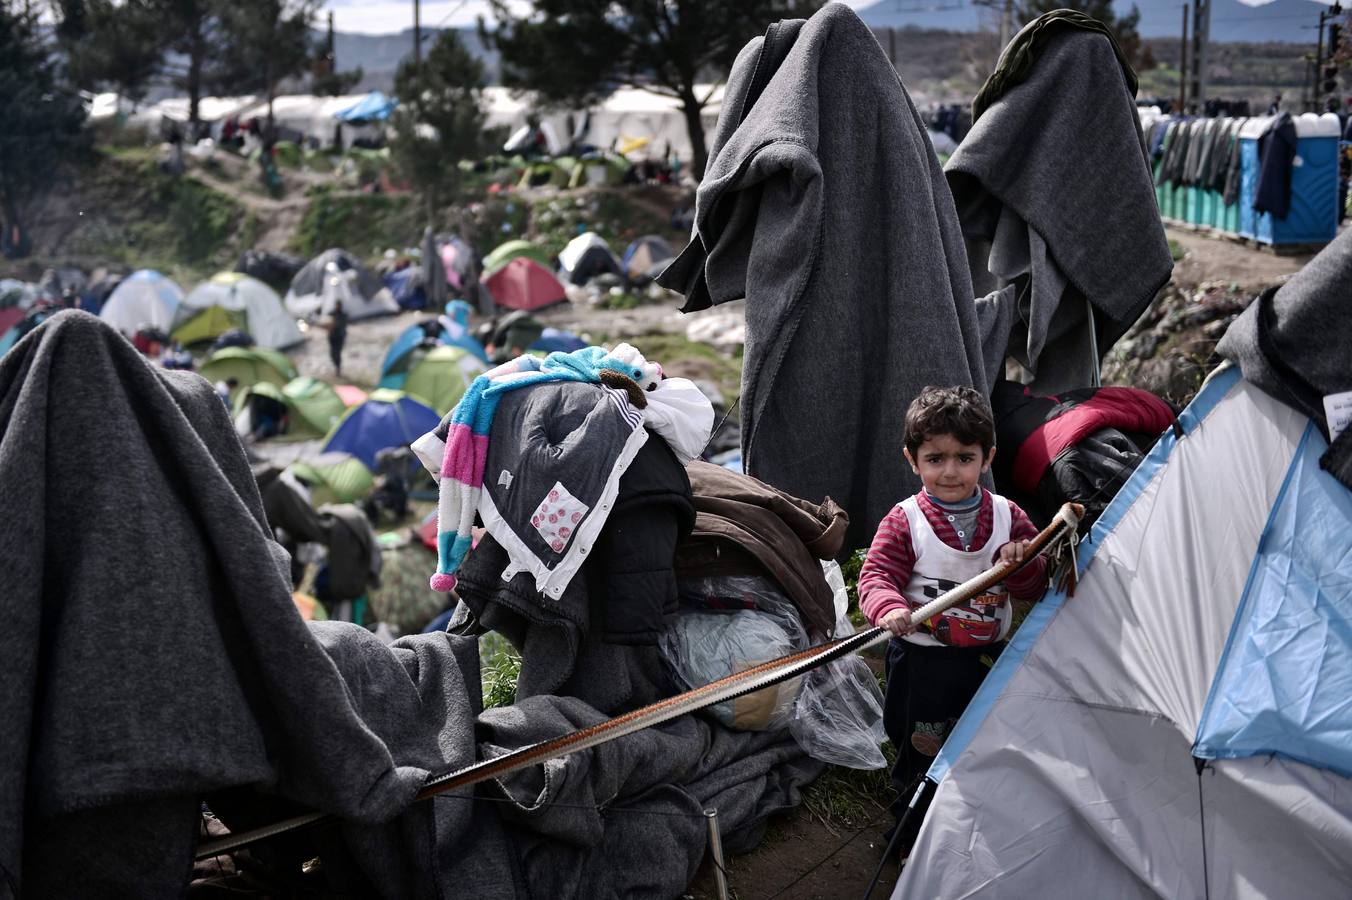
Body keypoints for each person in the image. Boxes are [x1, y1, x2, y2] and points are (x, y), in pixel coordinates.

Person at [857, 386, 1049, 854]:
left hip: (987, 661)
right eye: (935, 458)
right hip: (922, 664)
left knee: (983, 740)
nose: (950, 471)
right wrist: (890, 608)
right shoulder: (905, 521)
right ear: (912, 459)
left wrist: (1020, 564)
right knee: (922, 745)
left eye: (964, 458)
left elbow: (1036, 588)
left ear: (988, 458)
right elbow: (875, 576)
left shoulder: (1009, 518)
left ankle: (976, 828)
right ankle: (914, 830)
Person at [325, 300, 348, 378]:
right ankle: (337, 367)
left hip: (339, 337)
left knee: (337, 354)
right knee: (332, 354)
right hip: (332, 337)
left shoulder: (343, 315)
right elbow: (327, 321)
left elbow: (341, 325)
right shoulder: (332, 313)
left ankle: (338, 369)